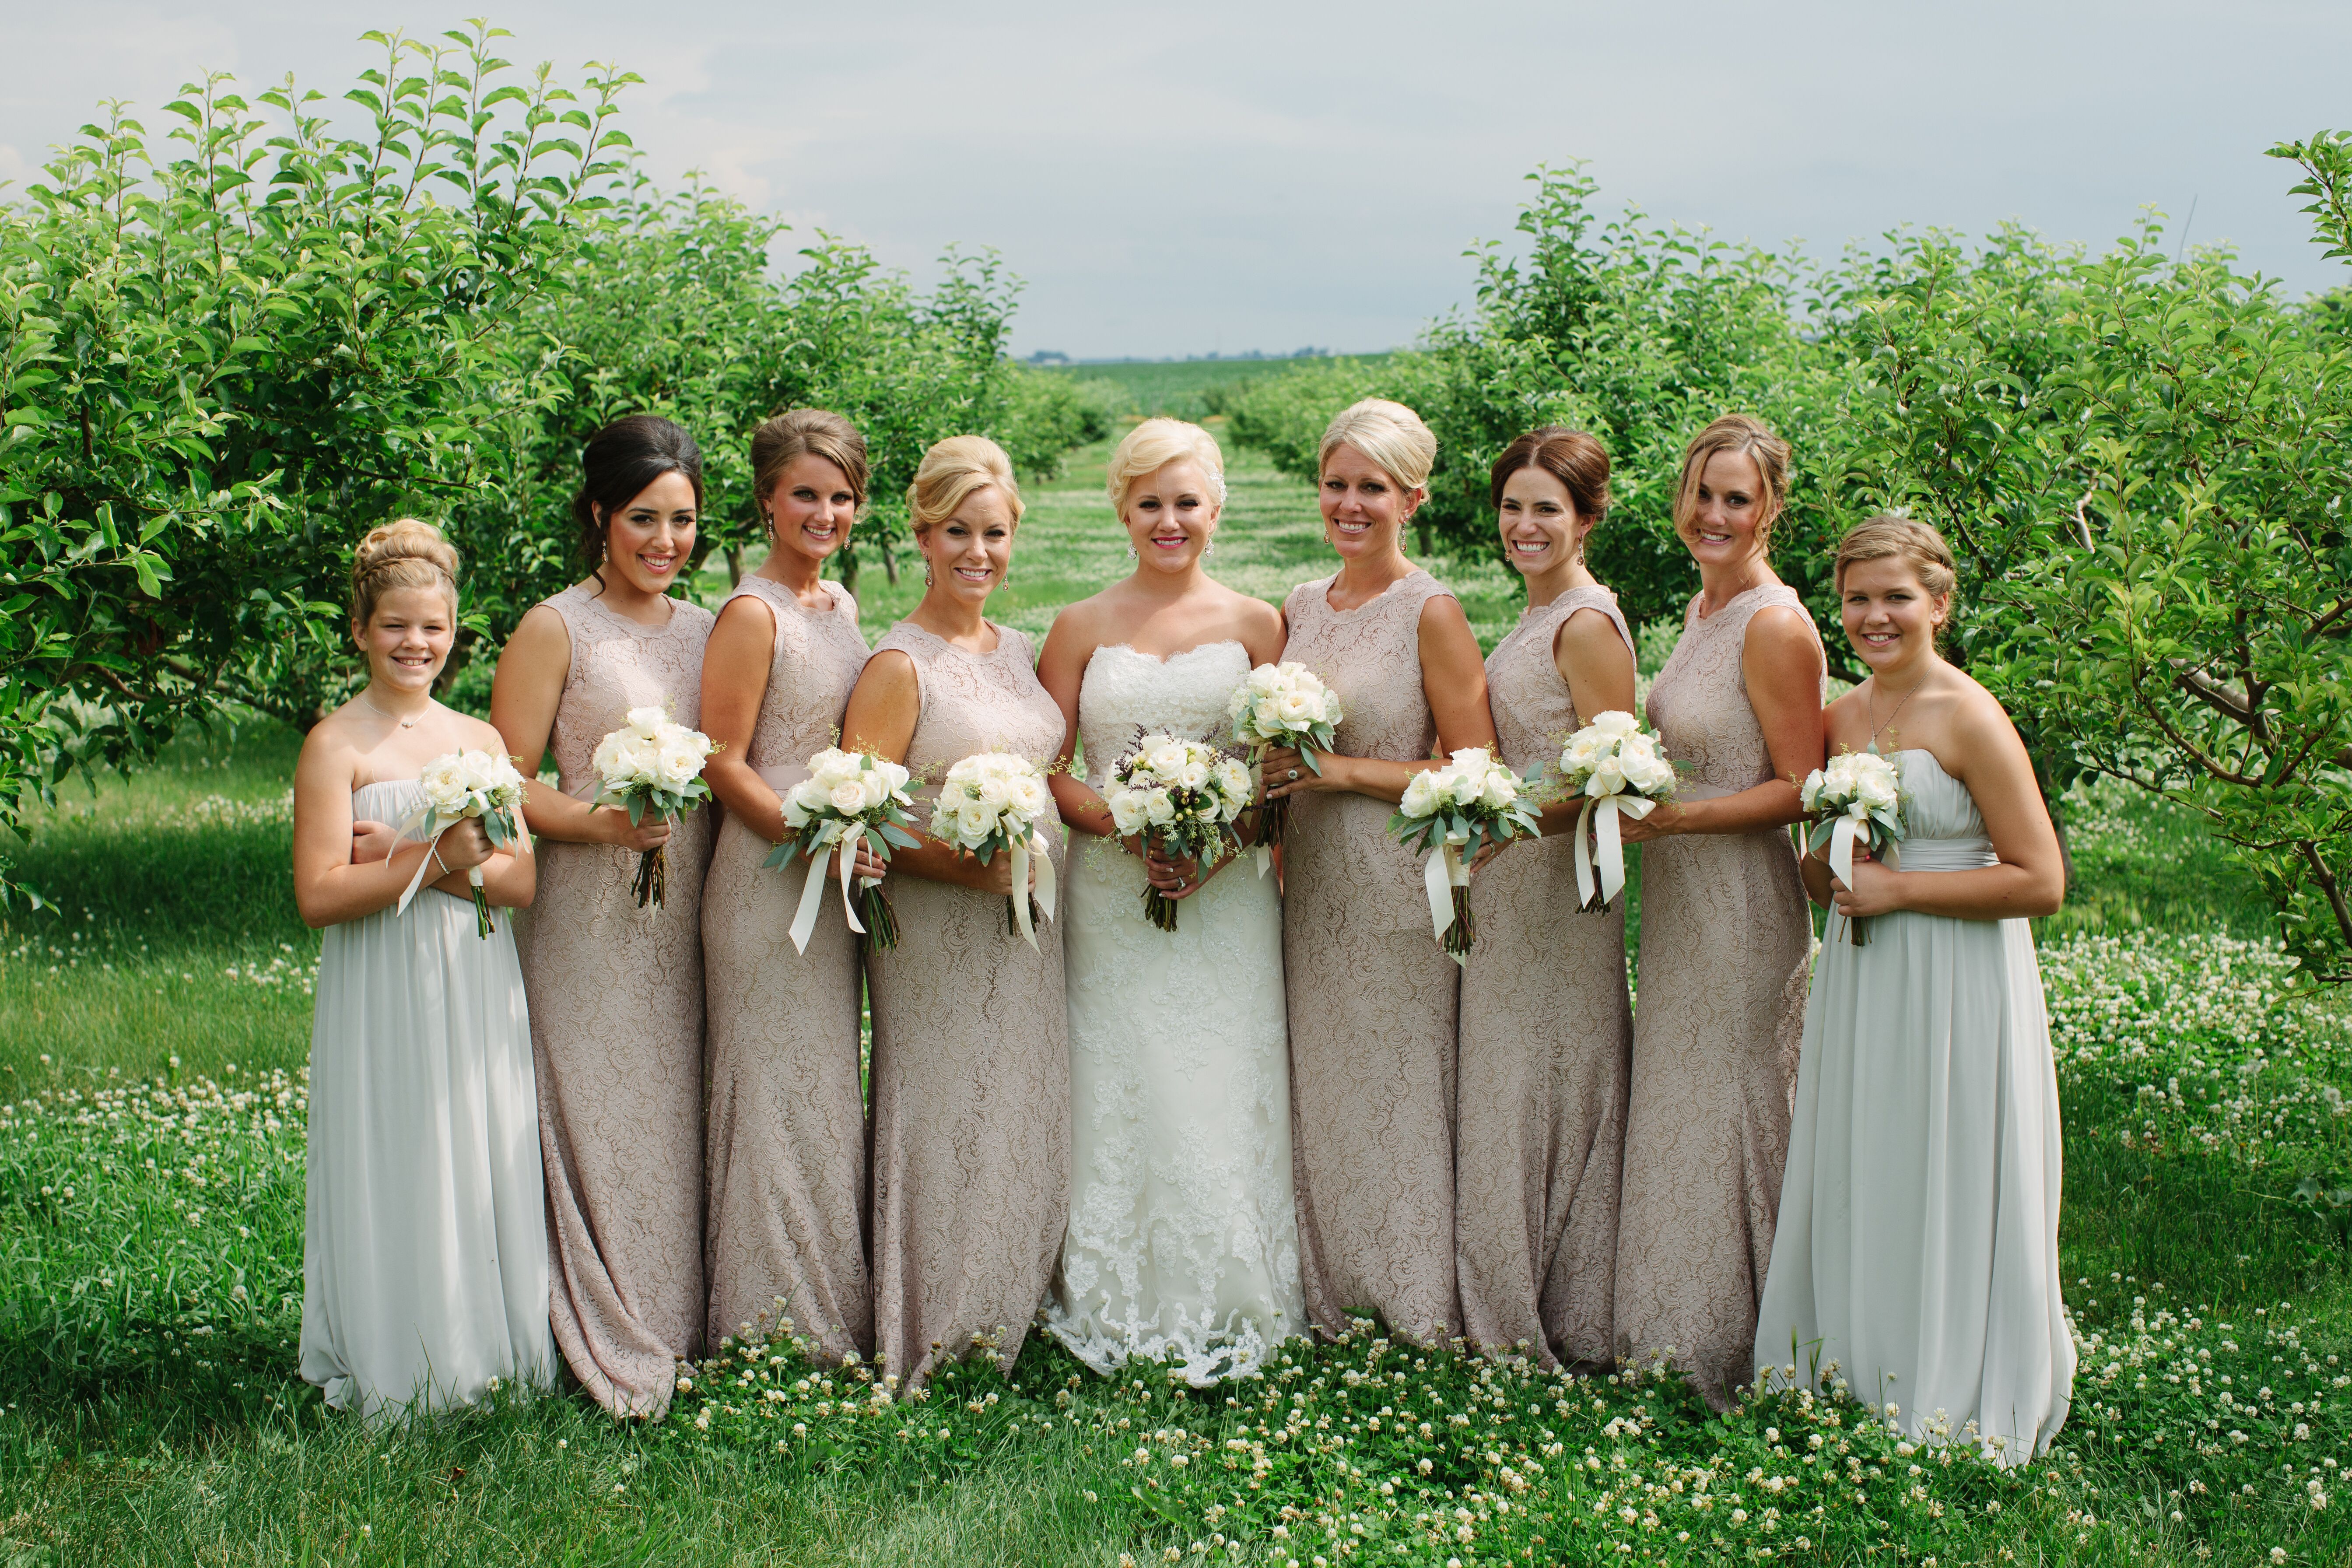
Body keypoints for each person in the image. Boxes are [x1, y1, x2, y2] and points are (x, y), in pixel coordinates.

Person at [1756, 515, 2073, 1463]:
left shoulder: (1968, 712)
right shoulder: (1843, 717)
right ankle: (1864, 1353)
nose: (1875, 615)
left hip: (1959, 972)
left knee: (1949, 1150)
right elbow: (1823, 866)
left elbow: (2041, 879)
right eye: (1858, 598)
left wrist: (1902, 886)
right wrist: (1829, 863)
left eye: (1897, 597)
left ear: (1938, 603)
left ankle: (1954, 1373)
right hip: (1866, 971)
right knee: (1872, 1148)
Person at [1034, 417, 1301, 1385]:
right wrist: (1126, 826)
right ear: (1122, 508)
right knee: (1123, 1072)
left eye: (1186, 502)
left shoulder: (1259, 624)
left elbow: (1279, 774)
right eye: (1150, 503)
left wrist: (1214, 848)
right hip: (1111, 893)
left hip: (1227, 900)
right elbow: (1044, 762)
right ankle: (1112, 1283)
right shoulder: (1079, 624)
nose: (1169, 520)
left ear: (1216, 509)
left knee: (1220, 1070)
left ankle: (1234, 1280)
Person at [291, 519, 548, 1418]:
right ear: (361, 629)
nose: (416, 644)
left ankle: (481, 1341)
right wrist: (439, 858)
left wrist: (409, 853)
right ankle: (393, 1342)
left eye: (432, 629)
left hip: (469, 977)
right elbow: (322, 893)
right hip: (380, 980)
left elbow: (517, 880)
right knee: (395, 1141)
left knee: (467, 1141)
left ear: (454, 633)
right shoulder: (336, 744)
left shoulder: (477, 739)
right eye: (395, 626)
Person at [491, 414, 715, 1418]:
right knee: (602, 1105)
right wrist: (598, 822)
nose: (664, 542)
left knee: (674, 1105)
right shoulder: (556, 627)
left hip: (690, 911)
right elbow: (502, 781)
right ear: (597, 515)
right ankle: (601, 1315)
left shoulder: (712, 629)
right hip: (589, 911)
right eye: (642, 519)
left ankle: (683, 1310)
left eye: (682, 521)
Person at [1260, 398, 1497, 1346]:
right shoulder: (1301, 607)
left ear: (1413, 499)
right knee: (1322, 1081)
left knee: (1399, 1081)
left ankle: (1408, 1295)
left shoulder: (1431, 610)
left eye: (1373, 488)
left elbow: (1476, 767)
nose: (1350, 504)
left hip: (1394, 878)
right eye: (1337, 483)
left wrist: (1343, 771)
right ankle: (1330, 1285)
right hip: (1309, 878)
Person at [841, 435, 1070, 1390]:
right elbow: (859, 828)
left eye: (997, 532)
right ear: (923, 535)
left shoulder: (1022, 651)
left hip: (1030, 930)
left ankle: (1016, 1297)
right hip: (939, 926)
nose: (978, 552)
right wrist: (966, 868)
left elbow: (1060, 776)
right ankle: (939, 1312)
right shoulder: (899, 665)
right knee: (945, 1111)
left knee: (1021, 1102)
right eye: (957, 533)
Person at [1612, 414, 1826, 1407]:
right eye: (1702, 492)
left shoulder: (1774, 624)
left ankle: (1743, 1343)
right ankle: (1671, 1327)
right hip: (1685, 890)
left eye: (1736, 497)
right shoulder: (1705, 612)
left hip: (1741, 897)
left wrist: (1680, 815)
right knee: (1685, 1102)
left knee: (1735, 1101)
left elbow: (1802, 786)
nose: (1714, 513)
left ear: (1772, 507)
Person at [1454, 429, 1638, 1369]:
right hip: (1512, 885)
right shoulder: (1538, 614)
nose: (1525, 525)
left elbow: (1615, 776)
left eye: (1547, 510)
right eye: (1514, 505)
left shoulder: (1586, 624)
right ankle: (1511, 1283)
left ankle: (1566, 1301)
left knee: (1554, 1083)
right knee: (1512, 1084)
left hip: (1556, 893)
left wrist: (1502, 810)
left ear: (1589, 520)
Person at [699, 410, 880, 1362]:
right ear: (768, 497)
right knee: (771, 1094)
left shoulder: (841, 606)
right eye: (806, 493)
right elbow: (724, 762)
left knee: (818, 1094)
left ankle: (828, 1304)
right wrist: (814, 841)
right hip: (767, 885)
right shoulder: (751, 612)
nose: (825, 511)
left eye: (842, 496)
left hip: (833, 881)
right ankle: (766, 1325)